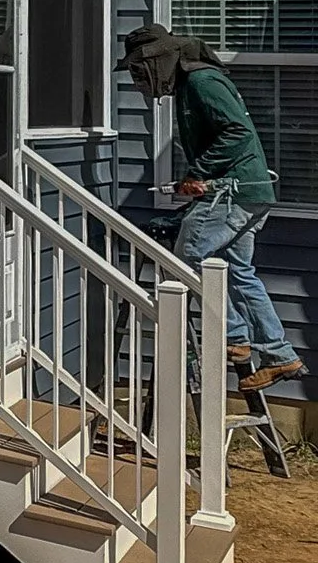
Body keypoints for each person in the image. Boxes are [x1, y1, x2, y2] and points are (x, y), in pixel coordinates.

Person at [122, 24, 304, 391]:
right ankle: (279, 354)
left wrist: (198, 173)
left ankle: (234, 338)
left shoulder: (202, 82)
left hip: (231, 193)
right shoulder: (193, 86)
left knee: (185, 261)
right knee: (238, 272)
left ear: (163, 58)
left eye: (142, 69)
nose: (141, 78)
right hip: (249, 193)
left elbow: (236, 132)